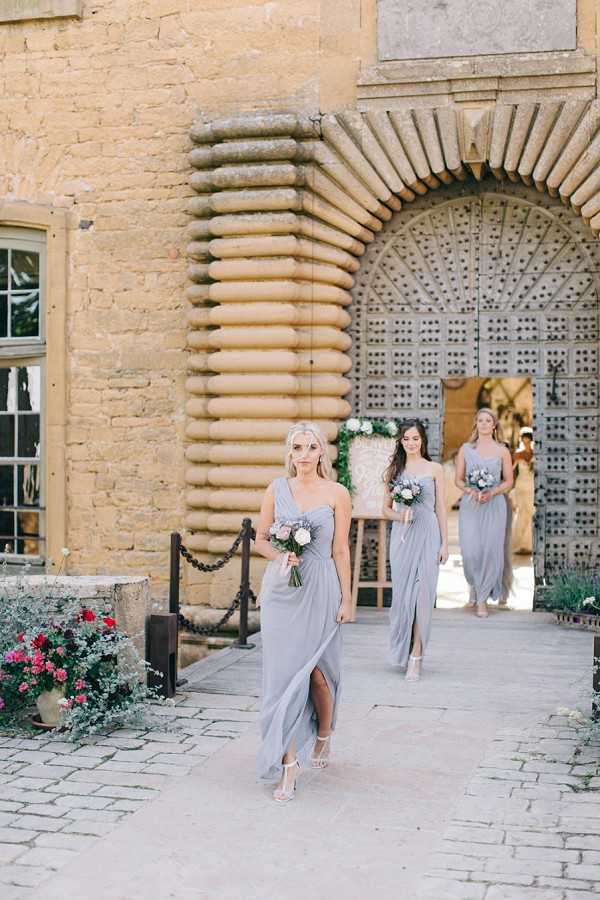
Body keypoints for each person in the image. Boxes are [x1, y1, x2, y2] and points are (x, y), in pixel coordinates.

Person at [254, 422, 352, 802]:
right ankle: (288, 766)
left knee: (318, 676)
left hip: (321, 587)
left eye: (312, 448)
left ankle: (323, 733)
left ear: (321, 453)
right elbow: (261, 538)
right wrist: (282, 554)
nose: (305, 455)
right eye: (298, 448)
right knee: (283, 677)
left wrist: (347, 599)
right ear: (290, 453)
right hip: (283, 590)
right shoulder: (276, 490)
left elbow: (340, 550)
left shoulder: (337, 493)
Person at [382, 420, 448, 681]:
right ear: (400, 441)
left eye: (415, 438)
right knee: (403, 599)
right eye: (406, 439)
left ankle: (417, 656)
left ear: (423, 441)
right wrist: (400, 517)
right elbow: (385, 509)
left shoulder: (435, 469)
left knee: (422, 595)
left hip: (429, 534)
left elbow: (441, 507)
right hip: (403, 538)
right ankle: (403, 646)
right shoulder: (394, 471)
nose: (411, 443)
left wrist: (445, 543)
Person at [455, 408, 514, 618]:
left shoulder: (502, 451)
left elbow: (509, 481)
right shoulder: (465, 449)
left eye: (488, 420)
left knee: (490, 550)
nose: (483, 424)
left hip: (494, 505)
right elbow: (458, 479)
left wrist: (493, 491)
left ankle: (481, 599)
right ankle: (474, 584)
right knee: (471, 551)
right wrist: (470, 490)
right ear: (476, 424)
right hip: (471, 505)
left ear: (494, 425)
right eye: (480, 420)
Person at [511, 426, 534, 555]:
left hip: (532, 485)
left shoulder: (536, 454)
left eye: (528, 439)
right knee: (522, 511)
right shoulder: (518, 454)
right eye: (524, 439)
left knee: (531, 512)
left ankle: (528, 544)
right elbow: (511, 470)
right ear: (521, 440)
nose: (526, 441)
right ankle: (519, 544)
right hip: (521, 485)